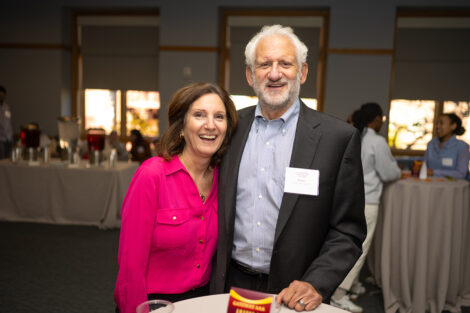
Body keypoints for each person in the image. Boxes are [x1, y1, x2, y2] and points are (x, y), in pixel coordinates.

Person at [210, 25, 366, 312]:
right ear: (249, 75)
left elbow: (348, 231)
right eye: (264, 64)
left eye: (285, 63)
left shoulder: (337, 138)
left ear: (303, 72)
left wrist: (316, 282)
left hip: (295, 291)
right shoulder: (228, 128)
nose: (274, 73)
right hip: (229, 284)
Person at [114, 82, 237, 313]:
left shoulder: (226, 181)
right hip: (153, 304)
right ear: (181, 126)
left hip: (202, 302)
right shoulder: (153, 175)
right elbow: (130, 267)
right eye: (199, 115)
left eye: (219, 117)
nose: (210, 125)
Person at [330, 102, 401, 313]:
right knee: (359, 249)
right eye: (382, 119)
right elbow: (389, 173)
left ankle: (349, 286)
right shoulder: (376, 142)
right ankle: (339, 294)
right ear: (376, 119)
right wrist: (398, 171)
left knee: (344, 244)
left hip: (345, 199)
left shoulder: (352, 135)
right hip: (368, 201)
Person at [425, 113, 470, 179]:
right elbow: (424, 167)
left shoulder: (462, 147)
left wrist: (434, 172)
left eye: (441, 123)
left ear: (453, 126)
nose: (437, 126)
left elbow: (461, 174)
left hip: (453, 188)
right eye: (437, 123)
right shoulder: (431, 144)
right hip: (429, 186)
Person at [0, 85, 13, 159]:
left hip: (8, 138)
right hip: (1, 138)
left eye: (3, 95)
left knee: (8, 158)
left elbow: (7, 123)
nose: (1, 97)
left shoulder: (6, 108)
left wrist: (10, 137)